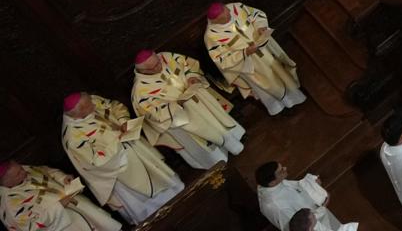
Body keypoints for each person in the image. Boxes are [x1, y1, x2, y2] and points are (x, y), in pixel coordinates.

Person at [59, 94, 183, 224]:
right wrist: (117, 141)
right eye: (90, 106)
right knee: (146, 201)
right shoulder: (72, 138)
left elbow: (114, 105)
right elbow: (94, 162)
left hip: (134, 148)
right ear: (80, 112)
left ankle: (179, 195)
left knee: (164, 181)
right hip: (118, 170)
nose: (95, 105)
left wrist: (124, 120)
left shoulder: (90, 100)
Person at [129, 50, 243, 169]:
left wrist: (191, 76)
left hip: (199, 100)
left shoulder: (165, 57)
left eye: (158, 63)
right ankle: (220, 160)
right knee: (205, 137)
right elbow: (152, 114)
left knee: (218, 122)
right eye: (153, 68)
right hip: (181, 118)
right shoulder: (139, 91)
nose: (159, 67)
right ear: (142, 71)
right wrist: (177, 103)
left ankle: (235, 140)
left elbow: (189, 64)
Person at [203, 1, 305, 116]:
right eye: (225, 18)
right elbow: (221, 59)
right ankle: (281, 108)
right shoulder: (211, 36)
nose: (229, 17)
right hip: (249, 64)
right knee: (267, 85)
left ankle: (296, 96)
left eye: (228, 13)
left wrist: (260, 27)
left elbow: (257, 15)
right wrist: (244, 52)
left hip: (265, 49)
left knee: (281, 73)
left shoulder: (236, 7)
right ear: (215, 21)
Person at [0, 160, 118, 231]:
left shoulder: (22, 170)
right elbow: (31, 227)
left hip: (80, 207)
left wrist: (63, 178)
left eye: (21, 168)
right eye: (18, 174)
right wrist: (59, 205)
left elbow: (46, 171)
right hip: (66, 225)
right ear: (6, 182)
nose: (24, 171)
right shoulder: (9, 206)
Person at [256, 162, 356, 231]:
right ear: (272, 182)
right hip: (315, 224)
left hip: (317, 211)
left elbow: (295, 186)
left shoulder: (273, 184)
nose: (285, 168)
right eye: (281, 170)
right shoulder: (277, 206)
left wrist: (313, 184)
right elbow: (298, 227)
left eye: (282, 167)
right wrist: (324, 206)